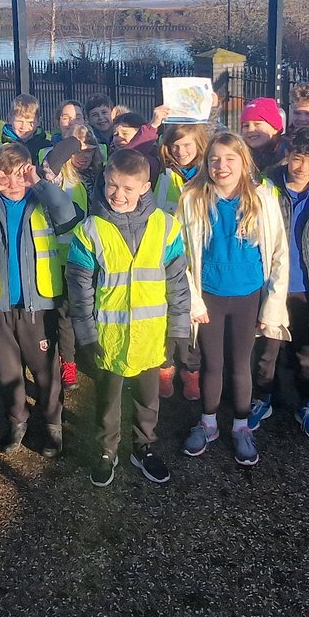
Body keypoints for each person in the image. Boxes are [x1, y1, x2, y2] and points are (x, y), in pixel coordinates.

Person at [67, 149, 190, 486]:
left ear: (145, 187)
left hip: (151, 336)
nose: (118, 195)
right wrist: (87, 336)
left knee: (148, 399)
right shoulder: (89, 230)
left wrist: (179, 329)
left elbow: (178, 281)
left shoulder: (166, 227)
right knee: (108, 402)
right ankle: (107, 450)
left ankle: (144, 447)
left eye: (128, 188)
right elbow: (79, 291)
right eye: (111, 186)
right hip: (109, 338)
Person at [0, 143, 82, 456]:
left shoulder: (41, 201)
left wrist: (38, 182)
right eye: (6, 176)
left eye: (20, 175)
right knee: (9, 370)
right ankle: (17, 423)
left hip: (38, 304)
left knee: (45, 372)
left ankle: (53, 424)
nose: (13, 182)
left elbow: (68, 216)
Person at [179, 132, 289, 466]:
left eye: (230, 159)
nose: (221, 166)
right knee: (213, 363)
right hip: (209, 295)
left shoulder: (263, 198)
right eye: (214, 159)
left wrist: (272, 305)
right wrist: (193, 300)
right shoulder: (192, 198)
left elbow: (278, 254)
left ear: (244, 162)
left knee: (242, 363)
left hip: (248, 295)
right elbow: (180, 255)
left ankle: (241, 427)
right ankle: (209, 422)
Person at [251, 129, 309, 441]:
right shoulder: (266, 185)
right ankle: (263, 396)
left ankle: (308, 403)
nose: (302, 167)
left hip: (307, 284)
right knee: (267, 348)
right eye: (297, 158)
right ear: (288, 155)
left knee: (308, 350)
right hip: (271, 283)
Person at [38, 121, 105, 391]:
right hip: (66, 258)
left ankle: (95, 357)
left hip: (96, 256)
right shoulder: (58, 176)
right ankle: (69, 364)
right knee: (67, 315)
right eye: (79, 150)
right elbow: (50, 163)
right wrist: (72, 142)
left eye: (89, 150)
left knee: (93, 311)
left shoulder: (99, 177)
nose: (84, 155)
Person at [154, 123, 209, 400]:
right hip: (166, 255)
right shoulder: (162, 174)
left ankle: (192, 370)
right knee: (166, 319)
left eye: (187, 144)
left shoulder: (208, 173)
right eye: (176, 145)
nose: (181, 151)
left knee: (194, 322)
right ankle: (165, 369)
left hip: (199, 257)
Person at [240, 97, 287, 172]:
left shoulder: (287, 157)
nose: (250, 129)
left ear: (274, 128)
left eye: (257, 124)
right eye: (246, 126)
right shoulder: (240, 154)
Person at [2, 93, 52, 160]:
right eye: (19, 121)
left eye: (30, 122)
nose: (23, 127)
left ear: (38, 122)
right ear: (10, 119)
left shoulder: (45, 147)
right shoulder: (4, 149)